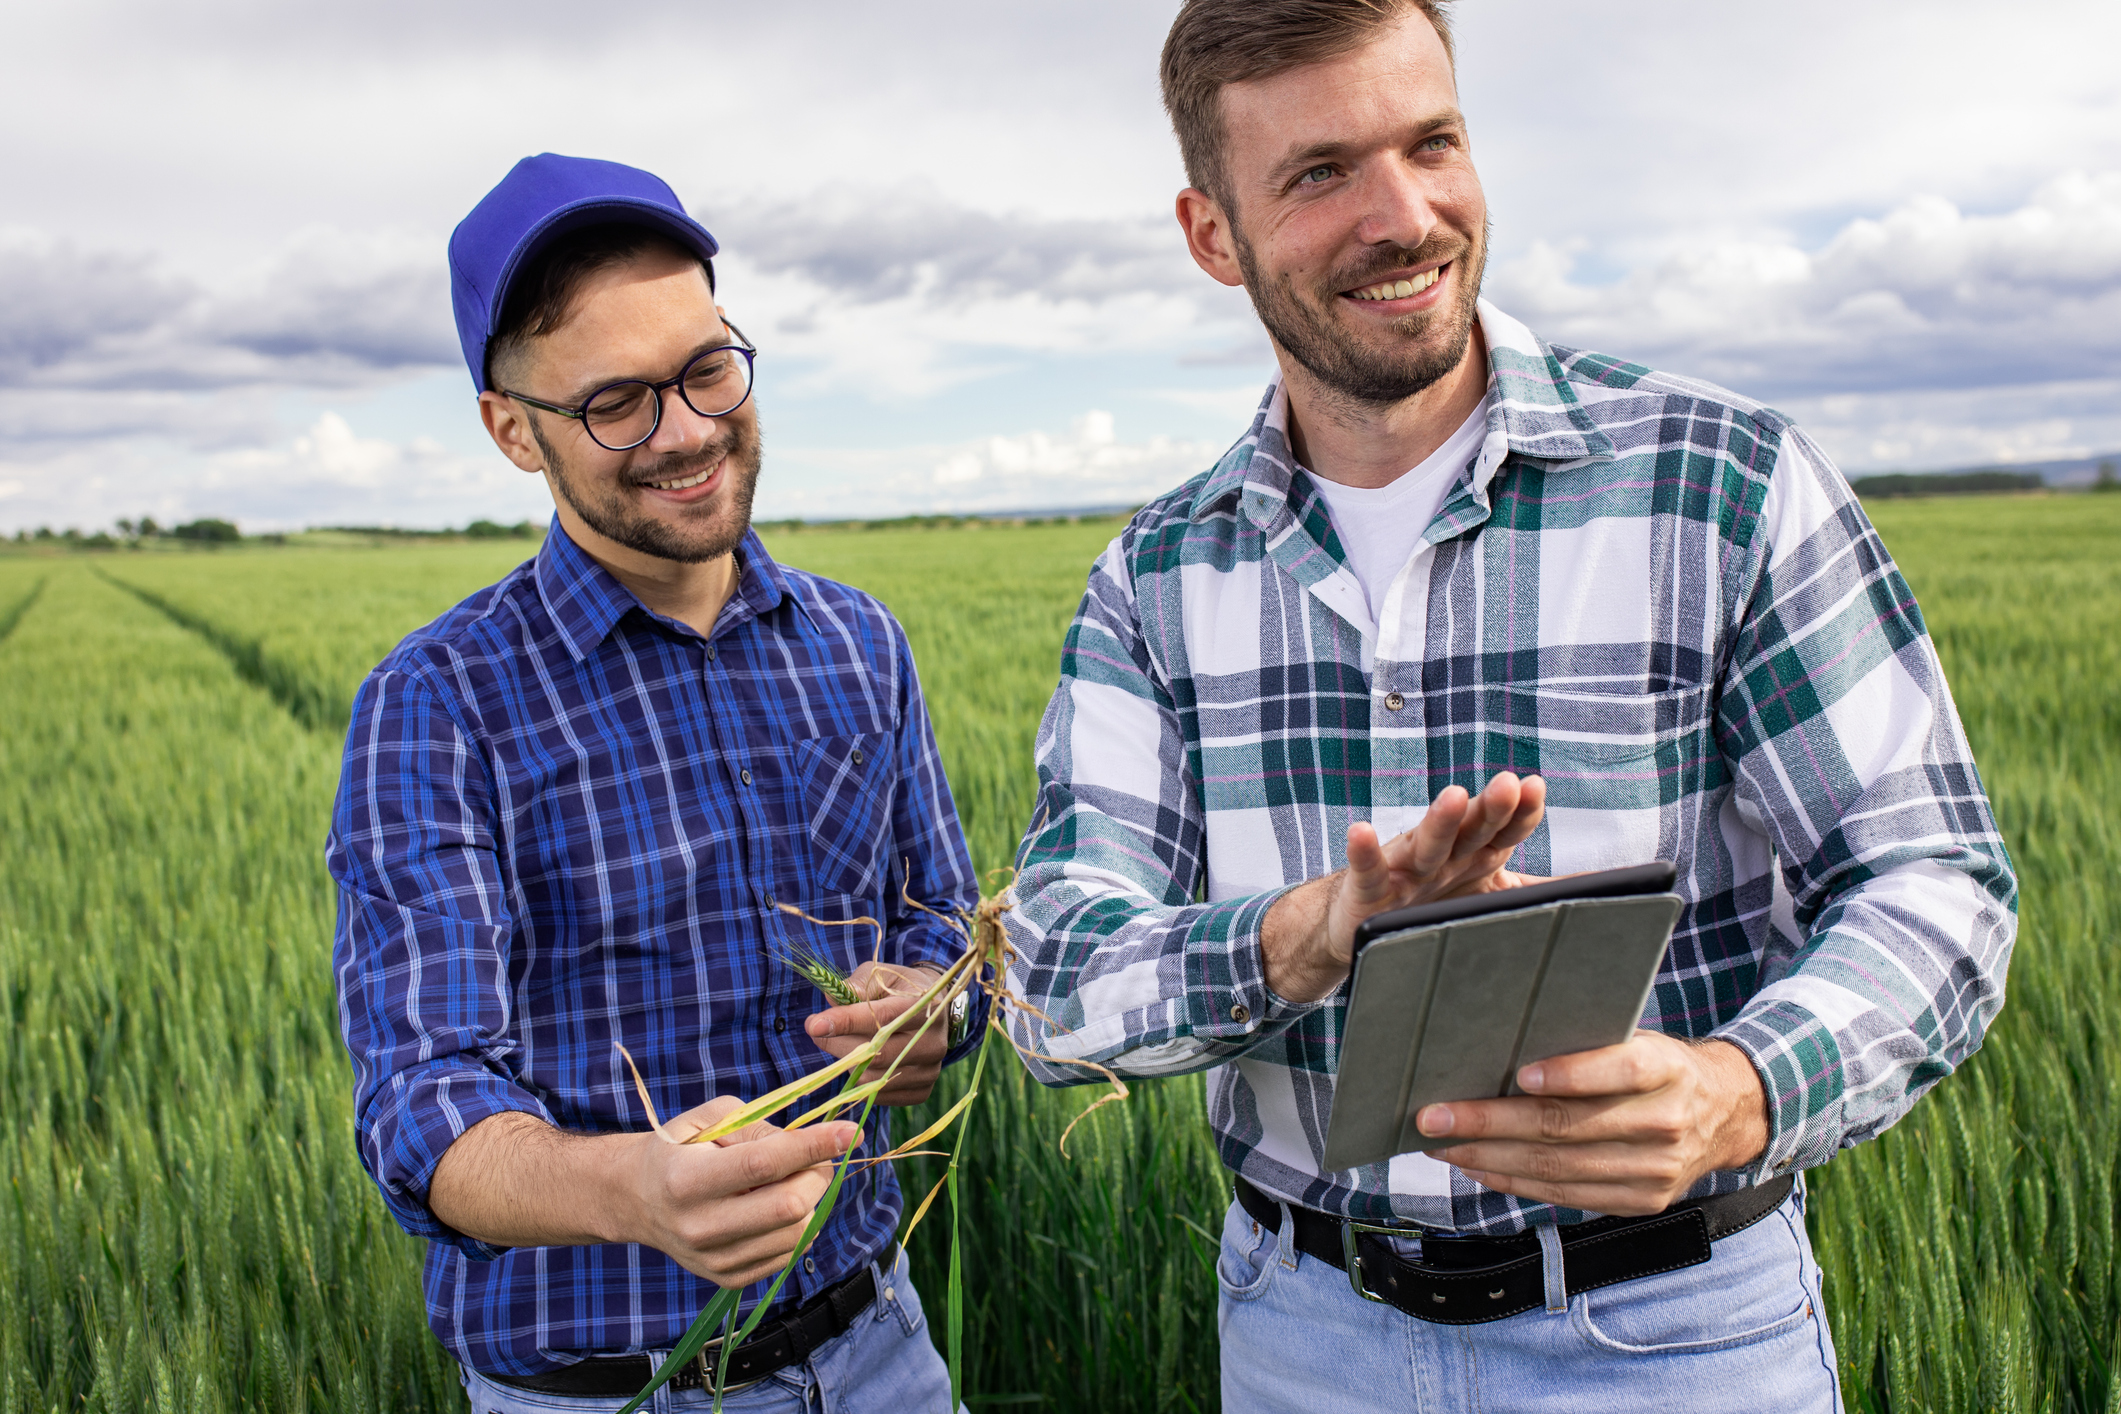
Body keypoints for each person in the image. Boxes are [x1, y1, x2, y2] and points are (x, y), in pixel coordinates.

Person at [1001, 4, 2017, 1410]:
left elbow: (1935, 877)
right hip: (1303, 1334)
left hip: (1680, 1332)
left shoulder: (1721, 483)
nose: (1403, 215)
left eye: (1433, 143)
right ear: (1211, 233)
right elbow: (1053, 982)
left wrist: (1741, 1086)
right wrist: (1301, 936)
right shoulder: (1155, 580)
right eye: (1318, 173)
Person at [328, 153, 981, 1412]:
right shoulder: (440, 701)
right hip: (603, 1392)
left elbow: (945, 918)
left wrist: (933, 1007)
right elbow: (421, 1100)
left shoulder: (860, 643)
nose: (684, 429)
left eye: (705, 369)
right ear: (512, 428)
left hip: (880, 1350)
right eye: (616, 401)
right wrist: (631, 1190)